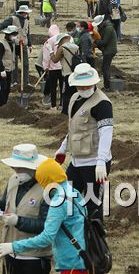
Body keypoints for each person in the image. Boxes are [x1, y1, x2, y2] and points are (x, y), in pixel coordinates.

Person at [0, 157, 86, 274]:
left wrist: (14, 247)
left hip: (70, 262)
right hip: (83, 256)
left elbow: (46, 237)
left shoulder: (58, 201)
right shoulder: (73, 191)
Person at [54, 63, 113, 223]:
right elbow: (74, 127)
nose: (84, 88)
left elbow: (106, 133)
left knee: (93, 205)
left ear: (94, 83)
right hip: (76, 161)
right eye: (80, 86)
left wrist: (101, 162)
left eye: (87, 85)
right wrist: (62, 149)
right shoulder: (74, 98)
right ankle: (77, 236)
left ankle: (96, 243)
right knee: (67, 200)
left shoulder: (102, 104)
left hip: (94, 163)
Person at [0, 144, 52, 274]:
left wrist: (18, 221)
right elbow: (5, 203)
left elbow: (46, 226)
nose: (17, 170)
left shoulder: (48, 189)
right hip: (9, 251)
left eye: (21, 168)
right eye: (15, 167)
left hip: (33, 257)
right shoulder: (13, 180)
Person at [0, 5, 33, 87]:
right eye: (26, 13)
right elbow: (3, 25)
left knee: (25, 64)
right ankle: (14, 81)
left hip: (23, 45)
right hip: (14, 45)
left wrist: (29, 44)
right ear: (22, 12)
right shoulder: (13, 19)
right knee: (13, 63)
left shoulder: (26, 21)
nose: (27, 14)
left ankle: (26, 82)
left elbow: (27, 33)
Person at [49, 33, 79, 114]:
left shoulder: (63, 47)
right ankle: (75, 110)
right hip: (76, 73)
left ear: (61, 40)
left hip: (67, 74)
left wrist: (51, 52)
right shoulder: (76, 46)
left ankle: (65, 112)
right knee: (75, 93)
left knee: (65, 94)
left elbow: (55, 60)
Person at [92, 15, 117, 91]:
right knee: (105, 68)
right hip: (108, 50)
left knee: (105, 68)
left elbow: (104, 41)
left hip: (109, 51)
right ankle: (107, 86)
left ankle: (107, 87)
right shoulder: (106, 28)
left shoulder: (108, 29)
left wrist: (95, 42)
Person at [0, 26, 17, 107]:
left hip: (9, 70)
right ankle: (1, 105)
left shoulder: (13, 43)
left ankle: (5, 105)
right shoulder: (0, 44)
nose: (15, 36)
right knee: (2, 89)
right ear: (8, 34)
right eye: (13, 35)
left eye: (15, 34)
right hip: (0, 71)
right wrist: (2, 69)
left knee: (7, 89)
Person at [42, 25, 64, 109]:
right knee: (63, 87)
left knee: (53, 87)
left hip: (53, 68)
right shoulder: (63, 39)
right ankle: (62, 104)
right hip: (62, 68)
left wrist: (45, 67)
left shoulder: (48, 42)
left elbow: (46, 56)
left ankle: (53, 105)